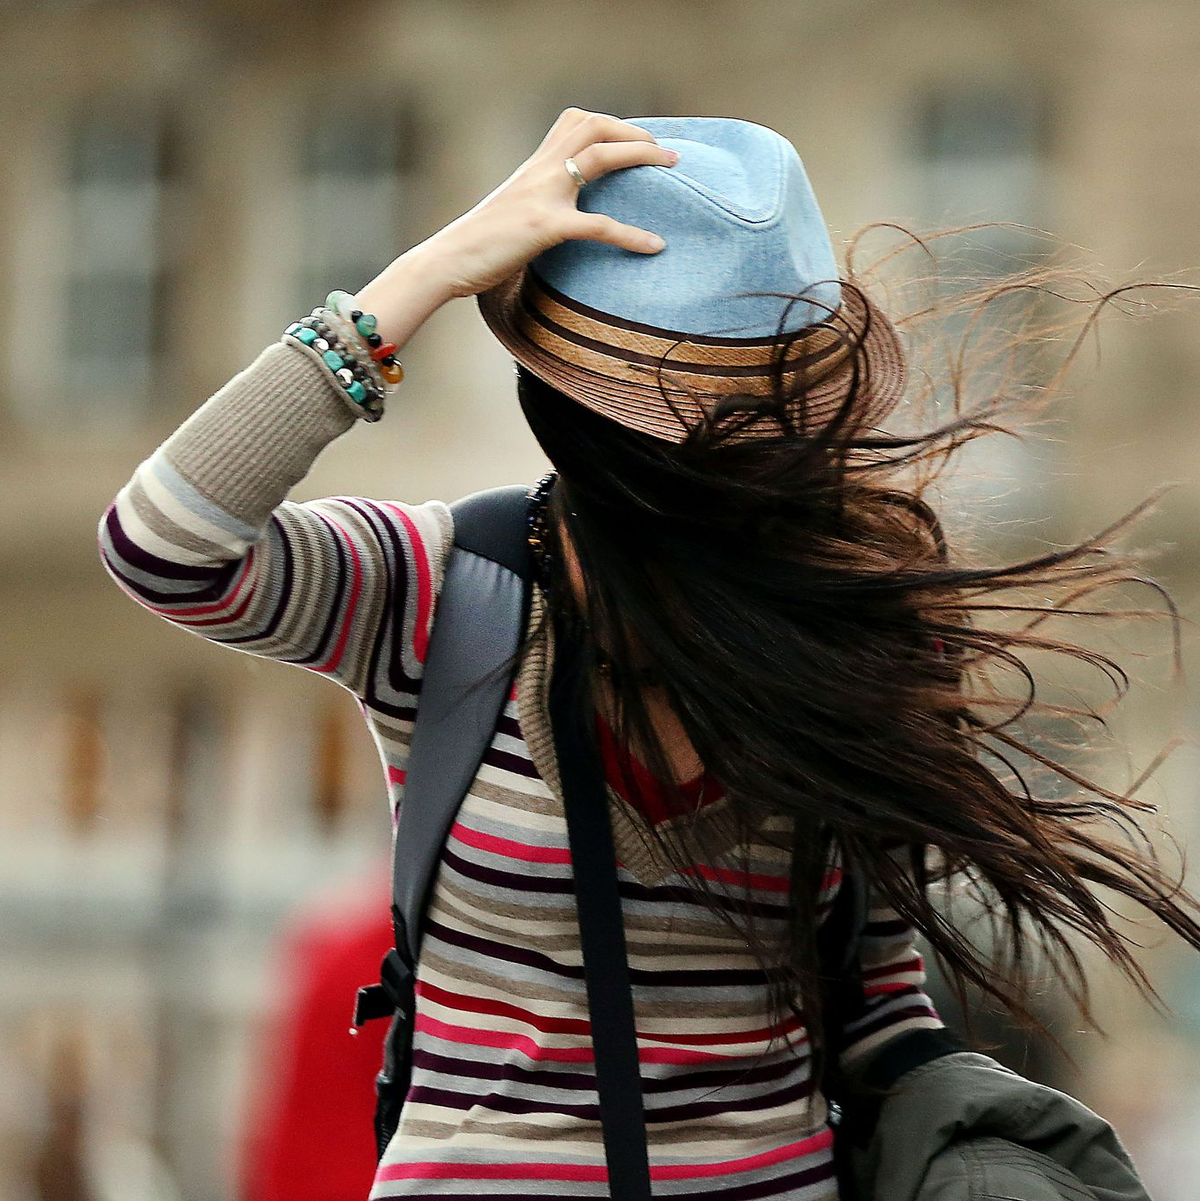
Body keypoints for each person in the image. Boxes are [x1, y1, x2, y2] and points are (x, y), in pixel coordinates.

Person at [97, 108, 1200, 1199]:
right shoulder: (447, 591)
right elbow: (166, 543)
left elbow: (874, 1000)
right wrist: (423, 274)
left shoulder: (851, 619)